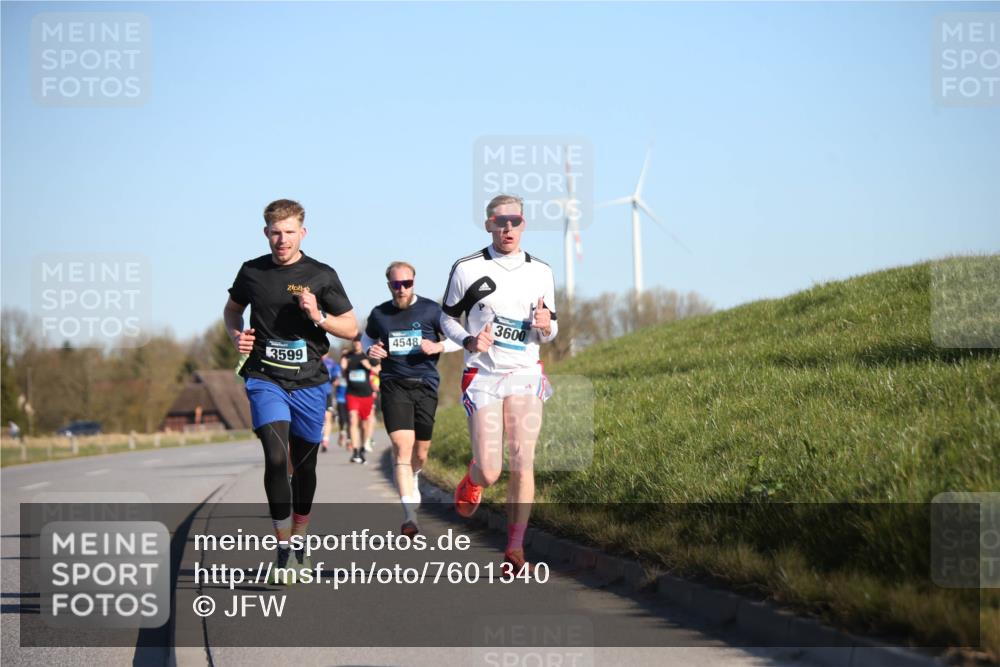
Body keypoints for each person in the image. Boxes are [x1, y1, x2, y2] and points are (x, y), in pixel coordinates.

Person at [224, 198, 357, 582]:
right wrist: (237, 335)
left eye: (289, 232)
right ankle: (283, 548)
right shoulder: (252, 272)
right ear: (266, 233)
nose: (282, 240)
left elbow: (351, 328)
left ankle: (300, 540)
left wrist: (318, 316)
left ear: (303, 232)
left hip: (310, 382)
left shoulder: (322, 274)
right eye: (275, 233)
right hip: (265, 377)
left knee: (304, 466)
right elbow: (232, 310)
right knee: (276, 457)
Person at [440, 193, 558, 575]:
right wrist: (469, 341)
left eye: (515, 221)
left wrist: (545, 327)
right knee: (492, 470)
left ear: (524, 224)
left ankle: (515, 547)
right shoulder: (466, 268)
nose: (508, 228)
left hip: (524, 371)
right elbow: (447, 320)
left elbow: (549, 329)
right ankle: (475, 479)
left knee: (523, 460)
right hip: (483, 374)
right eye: (500, 221)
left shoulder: (541, 271)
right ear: (488, 223)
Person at [364, 261, 461, 536]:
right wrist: (372, 352)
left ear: (414, 283)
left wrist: (439, 345)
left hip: (426, 385)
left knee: (421, 452)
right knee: (401, 447)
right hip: (394, 384)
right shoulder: (379, 314)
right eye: (396, 284)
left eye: (407, 283)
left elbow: (458, 338)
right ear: (389, 286)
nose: (402, 289)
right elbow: (365, 339)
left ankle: (415, 475)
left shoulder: (432, 310)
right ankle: (409, 517)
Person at [341, 336, 377, 464]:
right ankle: (355, 451)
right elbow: (343, 375)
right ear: (352, 342)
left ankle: (362, 448)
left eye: (359, 341)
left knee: (364, 424)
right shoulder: (347, 356)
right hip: (352, 394)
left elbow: (379, 371)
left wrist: (369, 367)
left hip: (366, 395)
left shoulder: (368, 356)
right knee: (352, 418)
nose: (357, 343)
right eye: (355, 341)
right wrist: (343, 368)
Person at [320, 352, 341, 452]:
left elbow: (336, 376)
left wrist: (336, 378)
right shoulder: (312, 360)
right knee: (318, 417)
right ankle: (318, 436)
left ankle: (325, 440)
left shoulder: (331, 363)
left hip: (327, 392)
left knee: (327, 416)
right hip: (314, 393)